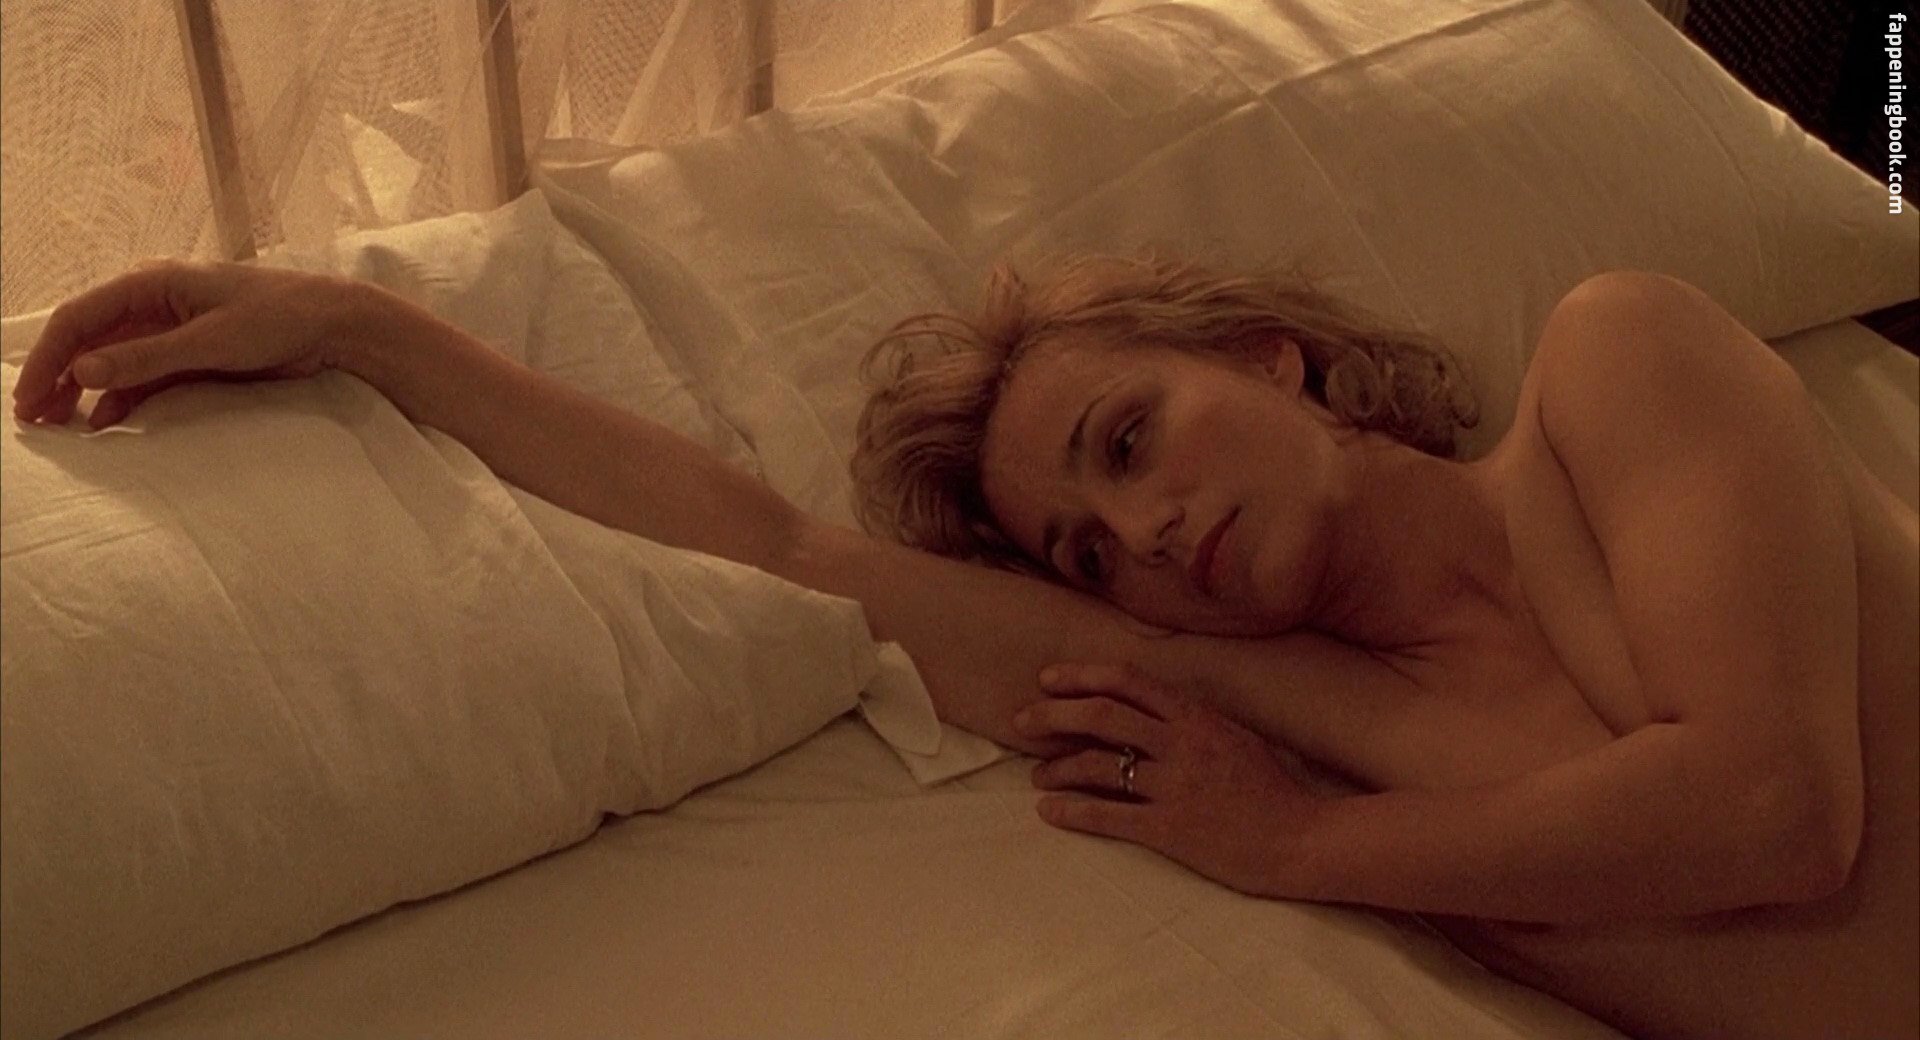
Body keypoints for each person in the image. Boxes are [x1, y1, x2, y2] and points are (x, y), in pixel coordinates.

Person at [11, 255, 1917, 1040]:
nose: (1141, 533)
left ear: (1276, 360)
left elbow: (1772, 808)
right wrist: (363, 332)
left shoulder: (1617, 362)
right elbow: (777, 552)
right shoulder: (1283, 706)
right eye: (1092, 548)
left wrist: (1295, 846)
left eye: (1130, 440)